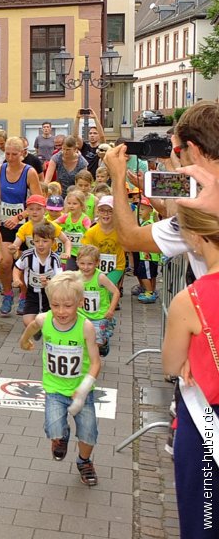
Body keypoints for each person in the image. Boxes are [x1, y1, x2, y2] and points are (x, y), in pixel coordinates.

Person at [105, 101, 219, 280]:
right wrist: (172, 165)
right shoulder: (198, 191)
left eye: (179, 149)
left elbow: (129, 238)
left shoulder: (201, 208)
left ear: (194, 150)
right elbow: (169, 211)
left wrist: (118, 178)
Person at [161, 204, 219, 539]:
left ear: (197, 238)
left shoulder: (190, 299)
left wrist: (190, 356)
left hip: (207, 421)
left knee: (204, 521)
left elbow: (171, 364)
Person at [19, 271, 101, 486]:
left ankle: (84, 461)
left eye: (68, 305)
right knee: (54, 428)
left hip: (81, 392)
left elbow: (95, 363)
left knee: (88, 432)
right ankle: (61, 436)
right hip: (54, 389)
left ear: (79, 303)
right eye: (55, 305)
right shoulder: (44, 319)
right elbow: (32, 326)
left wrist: (83, 389)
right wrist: (24, 341)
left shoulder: (86, 327)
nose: (61, 311)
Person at [0, 136, 42, 316]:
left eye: (14, 154)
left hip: (25, 225)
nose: (10, 158)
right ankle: (7, 293)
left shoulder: (29, 173)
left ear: (22, 154)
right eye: (7, 154)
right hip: (5, 222)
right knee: (5, 262)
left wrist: (20, 216)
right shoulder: (0, 169)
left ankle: (23, 295)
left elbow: (38, 201)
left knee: (24, 263)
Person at [76, 245, 119, 357]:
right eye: (82, 263)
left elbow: (116, 292)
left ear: (97, 263)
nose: (85, 267)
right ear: (77, 262)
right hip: (82, 314)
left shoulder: (100, 277)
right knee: (84, 340)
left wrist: (111, 310)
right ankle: (91, 361)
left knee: (97, 343)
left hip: (100, 315)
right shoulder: (76, 276)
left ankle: (103, 343)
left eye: (90, 264)